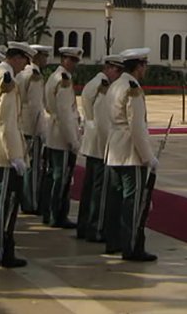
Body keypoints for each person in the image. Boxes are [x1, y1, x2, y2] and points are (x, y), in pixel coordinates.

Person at [0, 41, 33, 268]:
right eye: (25, 61)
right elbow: (8, 121)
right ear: (17, 58)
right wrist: (15, 155)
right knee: (2, 203)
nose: (25, 67)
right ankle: (1, 251)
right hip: (4, 148)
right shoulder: (7, 79)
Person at [104, 48, 158, 262]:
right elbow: (136, 127)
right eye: (144, 65)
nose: (145, 70)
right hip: (129, 153)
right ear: (139, 66)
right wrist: (147, 157)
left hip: (114, 150)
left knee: (115, 201)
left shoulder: (115, 85)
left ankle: (114, 241)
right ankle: (132, 246)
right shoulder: (132, 88)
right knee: (132, 203)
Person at [78, 56, 122, 242]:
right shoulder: (103, 85)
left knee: (90, 189)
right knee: (99, 190)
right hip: (99, 144)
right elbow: (103, 121)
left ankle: (85, 226)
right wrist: (109, 146)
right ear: (109, 68)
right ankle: (95, 227)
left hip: (91, 140)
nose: (118, 76)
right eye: (117, 71)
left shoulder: (94, 82)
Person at [43, 46, 83, 228]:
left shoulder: (54, 77)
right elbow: (66, 113)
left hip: (53, 131)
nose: (74, 64)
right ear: (64, 60)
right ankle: (57, 214)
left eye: (75, 61)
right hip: (61, 136)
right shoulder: (64, 80)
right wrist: (73, 141)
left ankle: (49, 212)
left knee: (53, 176)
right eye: (72, 60)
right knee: (62, 178)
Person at [16, 45, 48, 215]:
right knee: (33, 168)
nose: (46, 60)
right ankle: (31, 201)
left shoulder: (22, 74)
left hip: (21, 125)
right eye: (44, 56)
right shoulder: (34, 76)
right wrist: (40, 131)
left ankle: (25, 199)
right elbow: (36, 106)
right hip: (31, 128)